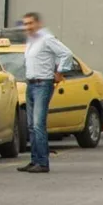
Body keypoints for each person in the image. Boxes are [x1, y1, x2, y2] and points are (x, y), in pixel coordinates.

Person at [18, 12, 74, 174]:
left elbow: (66, 53)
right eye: (25, 24)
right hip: (31, 83)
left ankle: (42, 162)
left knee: (38, 124)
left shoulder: (46, 38)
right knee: (31, 125)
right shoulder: (31, 41)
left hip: (42, 84)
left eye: (30, 23)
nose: (28, 27)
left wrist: (60, 72)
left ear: (38, 24)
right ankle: (35, 159)